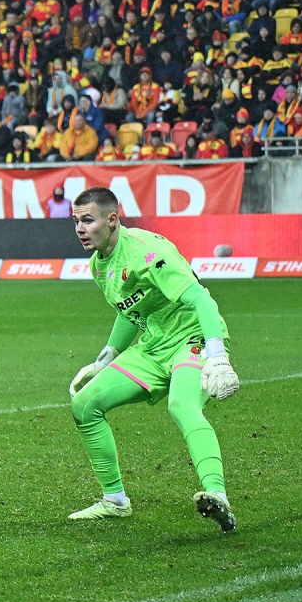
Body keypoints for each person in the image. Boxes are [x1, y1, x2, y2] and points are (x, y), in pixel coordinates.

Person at [67, 188, 240, 532]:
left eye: (88, 220)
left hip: (192, 338)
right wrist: (106, 357)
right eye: (76, 221)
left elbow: (201, 300)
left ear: (112, 220)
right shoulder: (98, 265)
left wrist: (218, 356)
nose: (80, 229)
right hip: (153, 347)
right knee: (84, 405)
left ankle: (218, 495)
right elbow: (130, 310)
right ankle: (115, 501)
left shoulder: (148, 252)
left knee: (182, 405)